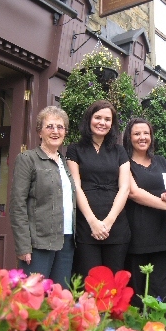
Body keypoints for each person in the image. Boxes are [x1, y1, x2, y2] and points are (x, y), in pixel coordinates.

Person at [10, 106, 76, 289]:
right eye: (50, 127)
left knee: (58, 299)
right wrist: (23, 246)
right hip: (38, 243)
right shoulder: (28, 159)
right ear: (39, 131)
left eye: (60, 127)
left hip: (66, 241)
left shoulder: (65, 163)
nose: (55, 131)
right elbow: (17, 204)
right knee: (32, 297)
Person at [123, 117, 166, 309]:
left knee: (161, 292)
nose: (142, 137)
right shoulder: (124, 161)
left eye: (146, 133)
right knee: (136, 294)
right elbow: (133, 193)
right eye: (137, 133)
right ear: (129, 137)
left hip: (161, 233)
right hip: (136, 235)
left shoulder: (161, 161)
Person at [66, 100, 131, 280]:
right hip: (86, 226)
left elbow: (125, 188)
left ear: (112, 124)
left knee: (115, 282)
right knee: (90, 282)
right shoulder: (75, 149)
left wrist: (108, 222)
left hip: (116, 226)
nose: (102, 122)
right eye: (98, 117)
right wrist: (93, 222)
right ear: (89, 119)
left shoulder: (119, 151)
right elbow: (76, 186)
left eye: (107, 119)